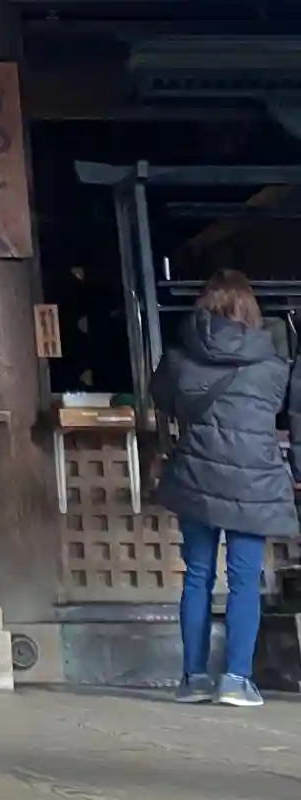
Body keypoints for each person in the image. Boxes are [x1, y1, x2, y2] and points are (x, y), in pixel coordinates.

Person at [151, 269, 301, 706]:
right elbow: (286, 415)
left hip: (196, 475)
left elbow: (160, 400)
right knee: (244, 580)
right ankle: (236, 679)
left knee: (197, 576)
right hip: (252, 480)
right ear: (250, 311)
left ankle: (193, 678)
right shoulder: (274, 366)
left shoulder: (178, 359)